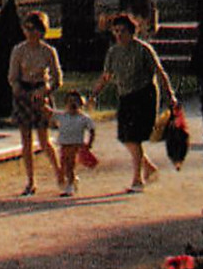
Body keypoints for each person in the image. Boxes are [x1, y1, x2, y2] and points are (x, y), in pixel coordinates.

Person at [89, 13, 176, 193]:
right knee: (126, 138)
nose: (119, 35)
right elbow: (106, 76)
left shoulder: (143, 49)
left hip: (144, 96)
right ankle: (148, 167)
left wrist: (170, 96)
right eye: (116, 31)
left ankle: (137, 180)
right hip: (125, 96)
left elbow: (160, 73)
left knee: (133, 137)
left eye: (123, 31)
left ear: (132, 32)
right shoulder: (113, 52)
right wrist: (94, 94)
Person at [8, 11, 63, 195]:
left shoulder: (48, 51)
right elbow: (13, 77)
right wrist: (19, 90)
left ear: (42, 31)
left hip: (41, 95)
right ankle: (31, 181)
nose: (30, 32)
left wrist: (44, 91)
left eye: (34, 29)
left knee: (44, 140)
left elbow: (57, 79)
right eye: (27, 28)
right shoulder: (18, 50)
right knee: (26, 140)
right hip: (23, 95)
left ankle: (60, 174)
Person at [52, 90, 98, 197]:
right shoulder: (62, 116)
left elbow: (92, 130)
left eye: (75, 102)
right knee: (63, 164)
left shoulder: (83, 118)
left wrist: (89, 143)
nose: (72, 104)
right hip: (64, 144)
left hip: (76, 145)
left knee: (70, 165)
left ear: (80, 104)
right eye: (69, 101)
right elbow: (49, 113)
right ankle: (72, 180)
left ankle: (70, 185)